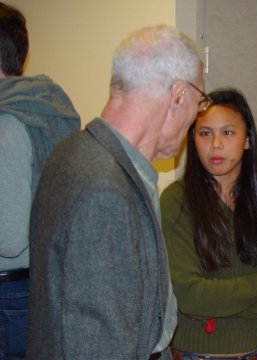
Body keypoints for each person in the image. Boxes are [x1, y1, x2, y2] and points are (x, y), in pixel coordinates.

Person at [26, 25, 203, 359]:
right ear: (178, 96)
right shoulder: (105, 190)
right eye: (199, 101)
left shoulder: (72, 151)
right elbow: (97, 344)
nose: (196, 115)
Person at [160, 88, 257, 359]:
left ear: (247, 140)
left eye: (228, 132)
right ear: (193, 139)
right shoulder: (177, 201)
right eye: (205, 133)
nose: (216, 144)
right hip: (196, 354)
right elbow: (189, 296)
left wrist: (217, 306)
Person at [0, 3, 80, 359]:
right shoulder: (41, 108)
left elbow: (10, 237)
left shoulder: (8, 124)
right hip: (36, 286)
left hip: (9, 295)